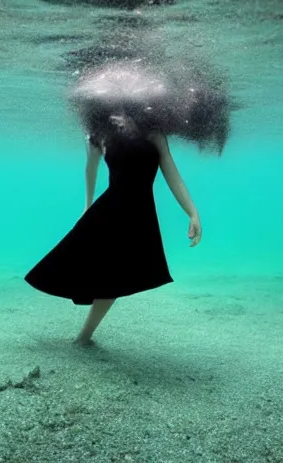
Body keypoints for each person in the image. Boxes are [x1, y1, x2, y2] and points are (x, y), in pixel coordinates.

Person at [24, 110, 203, 347]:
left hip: (140, 217)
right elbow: (90, 170)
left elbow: (172, 174)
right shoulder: (100, 134)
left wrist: (192, 212)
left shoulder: (154, 133)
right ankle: (83, 337)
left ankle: (84, 337)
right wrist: (87, 206)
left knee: (115, 277)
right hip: (110, 211)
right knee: (86, 267)